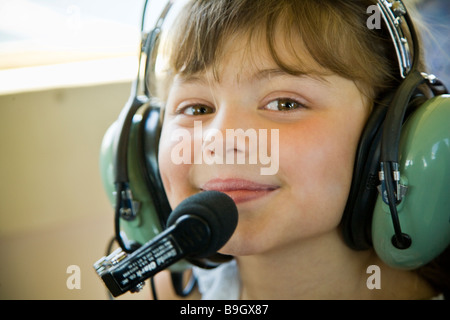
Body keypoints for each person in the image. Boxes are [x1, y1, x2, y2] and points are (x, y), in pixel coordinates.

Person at [147, 0, 449, 299]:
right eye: (197, 108)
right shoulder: (170, 289)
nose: (221, 139)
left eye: (285, 104)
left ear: (388, 137)